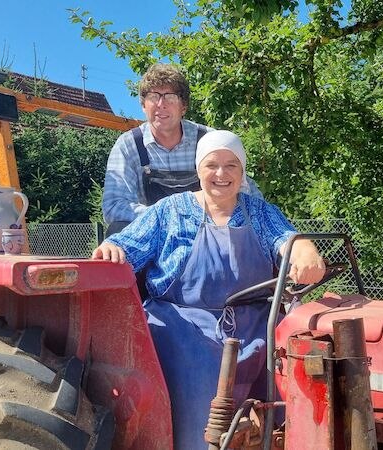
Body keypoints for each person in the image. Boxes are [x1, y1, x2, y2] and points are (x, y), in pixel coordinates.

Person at [92, 130, 325, 449]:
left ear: (242, 172)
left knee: (291, 388)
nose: (221, 173)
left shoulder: (257, 211)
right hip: (182, 328)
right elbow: (126, 246)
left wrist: (305, 253)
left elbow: (287, 240)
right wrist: (111, 249)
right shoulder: (170, 210)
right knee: (204, 404)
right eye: (212, 164)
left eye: (232, 165)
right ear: (198, 169)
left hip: (256, 324)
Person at [102, 63, 262, 235]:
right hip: (154, 234)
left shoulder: (208, 140)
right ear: (143, 105)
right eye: (153, 96)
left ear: (183, 106)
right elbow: (113, 206)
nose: (161, 104)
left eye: (169, 97)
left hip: (209, 231)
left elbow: (247, 193)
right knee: (116, 231)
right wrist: (170, 217)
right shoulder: (129, 145)